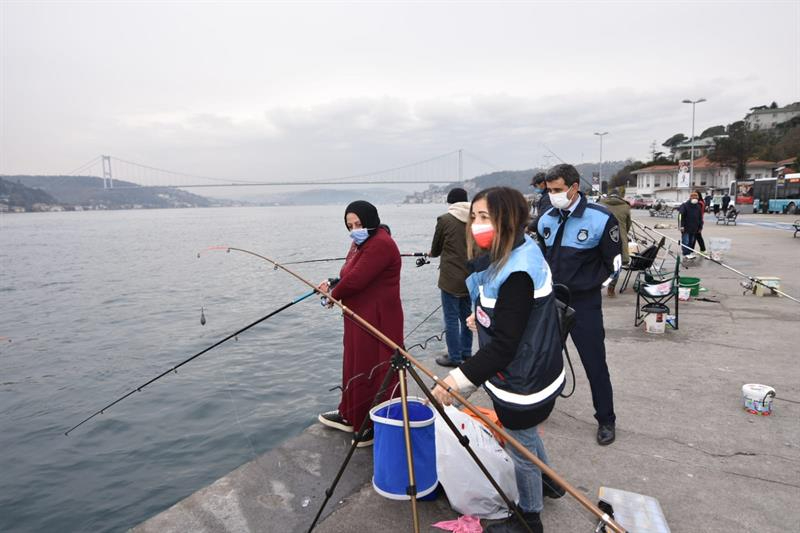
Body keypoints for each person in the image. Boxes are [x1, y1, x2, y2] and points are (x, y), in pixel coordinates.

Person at [432, 187, 565, 533]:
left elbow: (505, 346)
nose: (476, 225)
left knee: (521, 448)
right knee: (527, 438)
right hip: (532, 367)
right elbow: (511, 315)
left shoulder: (518, 270)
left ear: (507, 220)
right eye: (474, 217)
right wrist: (483, 317)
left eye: (485, 217)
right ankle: (550, 482)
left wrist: (456, 381)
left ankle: (529, 517)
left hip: (523, 379)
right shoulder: (515, 251)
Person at [537, 164, 621, 446]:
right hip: (551, 300)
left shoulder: (601, 219)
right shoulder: (546, 218)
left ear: (574, 187)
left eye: (558, 190)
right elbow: (541, 256)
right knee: (545, 359)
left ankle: (606, 420)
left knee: (595, 363)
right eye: (549, 191)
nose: (552, 196)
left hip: (585, 303)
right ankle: (540, 407)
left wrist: (598, 285)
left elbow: (615, 263)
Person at [317, 201, 404, 448]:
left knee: (374, 366)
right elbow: (348, 274)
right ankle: (351, 413)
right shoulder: (359, 243)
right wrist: (334, 284)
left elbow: (356, 280)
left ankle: (374, 423)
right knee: (354, 362)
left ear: (371, 220)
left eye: (359, 223)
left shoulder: (381, 244)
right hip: (358, 315)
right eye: (350, 225)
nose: (355, 229)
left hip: (378, 319)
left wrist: (332, 294)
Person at [430, 187, 473, 367]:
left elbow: (436, 249)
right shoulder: (475, 218)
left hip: (450, 279)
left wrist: (431, 253)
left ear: (450, 202)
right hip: (471, 276)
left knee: (451, 319)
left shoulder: (445, 219)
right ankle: (467, 353)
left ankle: (454, 357)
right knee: (468, 317)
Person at [598, 189, 631, 297]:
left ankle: (596, 286)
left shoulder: (600, 204)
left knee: (599, 262)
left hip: (601, 238)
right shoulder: (625, 207)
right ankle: (611, 288)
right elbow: (628, 225)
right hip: (619, 239)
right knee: (617, 264)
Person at [677, 192, 703, 258]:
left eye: (696, 197)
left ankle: (689, 252)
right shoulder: (685, 205)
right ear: (690, 197)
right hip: (685, 227)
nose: (695, 199)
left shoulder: (698, 207)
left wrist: (700, 227)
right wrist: (680, 226)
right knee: (686, 241)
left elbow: (700, 218)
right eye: (693, 197)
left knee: (691, 241)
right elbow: (680, 216)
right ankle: (686, 253)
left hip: (694, 228)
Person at [693, 189, 707, 254]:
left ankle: (703, 250)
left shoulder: (699, 203)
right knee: (697, 236)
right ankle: (702, 250)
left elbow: (697, 212)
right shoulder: (701, 202)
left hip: (698, 221)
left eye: (696, 195)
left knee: (696, 236)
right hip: (698, 221)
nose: (694, 197)